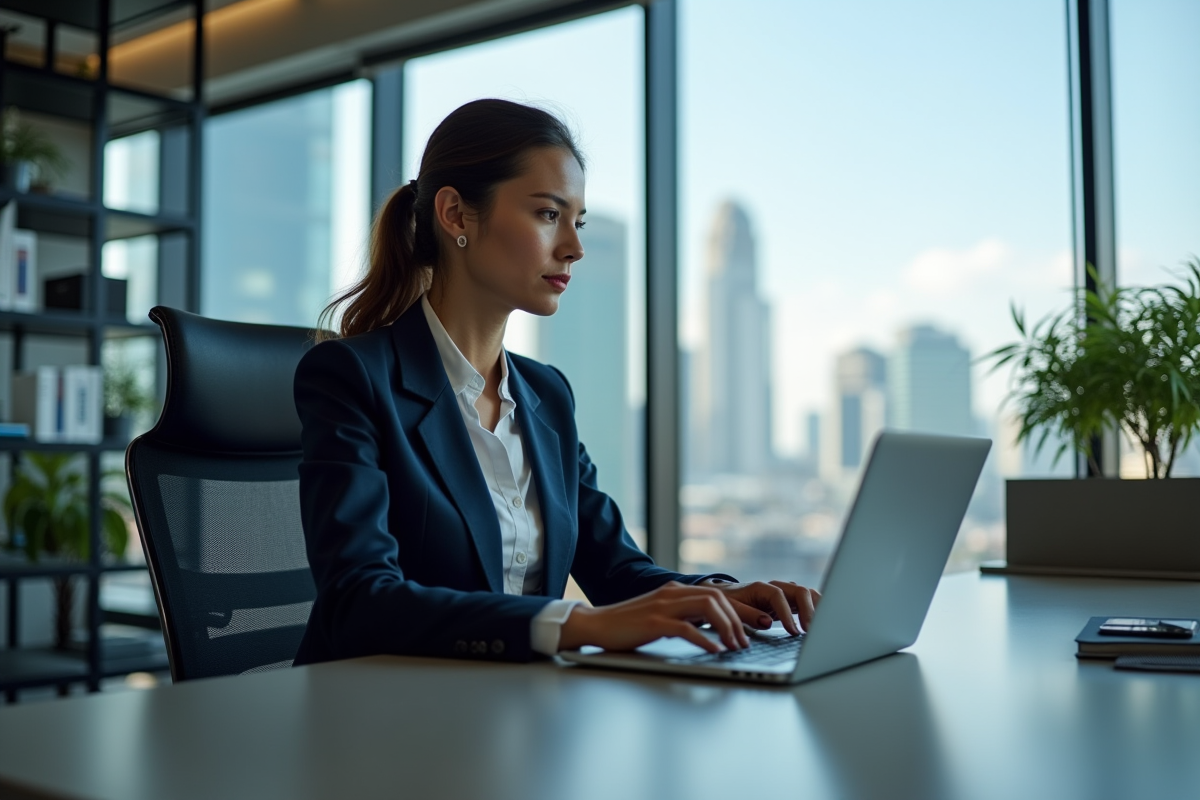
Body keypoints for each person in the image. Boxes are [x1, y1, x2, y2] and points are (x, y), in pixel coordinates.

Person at [292, 99, 820, 666]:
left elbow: (618, 572)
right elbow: (358, 600)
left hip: (518, 713)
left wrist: (725, 596)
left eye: (578, 221)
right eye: (549, 214)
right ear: (456, 215)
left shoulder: (547, 395)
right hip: (378, 721)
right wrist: (575, 624)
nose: (574, 246)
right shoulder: (353, 378)